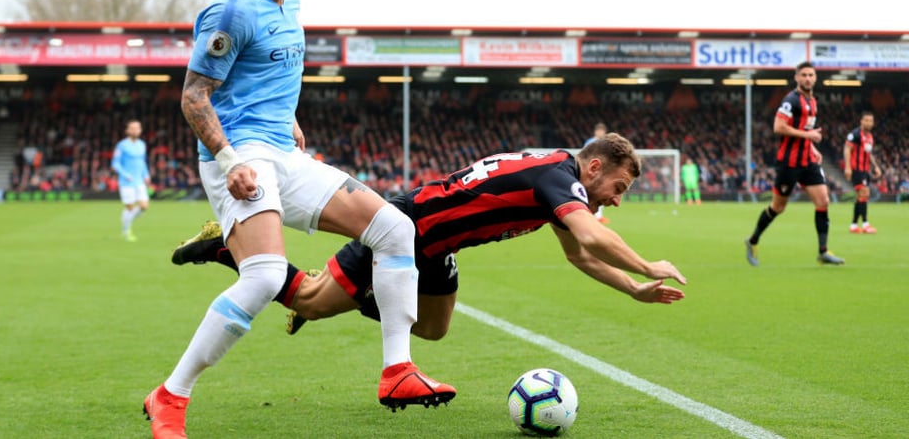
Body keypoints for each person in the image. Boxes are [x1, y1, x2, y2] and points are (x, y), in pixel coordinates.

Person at [143, 0, 454, 439]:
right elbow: (194, 98)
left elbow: (268, 79)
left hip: (281, 153)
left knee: (395, 227)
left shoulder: (290, 6)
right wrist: (230, 160)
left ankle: (397, 371)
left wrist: (287, 120)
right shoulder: (229, 13)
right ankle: (170, 395)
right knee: (264, 276)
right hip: (239, 157)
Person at [172, 134, 688, 343]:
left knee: (435, 329)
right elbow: (591, 238)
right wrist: (648, 265)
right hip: (407, 226)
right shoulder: (560, 178)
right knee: (310, 299)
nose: (616, 199)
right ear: (594, 167)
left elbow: (580, 255)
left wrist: (633, 290)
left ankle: (372, 293)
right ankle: (227, 247)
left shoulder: (558, 175)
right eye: (617, 188)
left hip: (440, 246)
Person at [744, 62, 844, 266]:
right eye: (804, 75)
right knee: (778, 207)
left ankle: (823, 252)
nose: (808, 78)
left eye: (811, 75)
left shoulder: (813, 101)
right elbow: (778, 127)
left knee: (823, 201)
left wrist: (812, 147)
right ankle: (752, 240)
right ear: (797, 78)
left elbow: (805, 129)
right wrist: (808, 135)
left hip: (807, 161)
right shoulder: (791, 100)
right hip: (788, 163)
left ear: (815, 78)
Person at [111, 119, 151, 241]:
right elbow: (115, 164)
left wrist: (146, 175)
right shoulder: (122, 145)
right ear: (127, 131)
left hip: (139, 181)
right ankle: (126, 231)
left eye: (138, 128)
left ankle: (126, 221)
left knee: (144, 206)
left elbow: (142, 162)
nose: (136, 130)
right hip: (126, 182)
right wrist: (125, 174)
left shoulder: (142, 145)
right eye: (133, 128)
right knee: (129, 207)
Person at [843, 110, 882, 234]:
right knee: (864, 193)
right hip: (857, 169)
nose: (869, 123)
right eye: (866, 120)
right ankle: (865, 224)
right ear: (861, 121)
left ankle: (854, 225)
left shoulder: (869, 137)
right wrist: (848, 167)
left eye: (871, 121)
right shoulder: (855, 134)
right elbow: (847, 149)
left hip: (865, 169)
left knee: (862, 196)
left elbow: (868, 153)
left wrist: (875, 166)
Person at [584, 122, 610, 223]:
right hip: (593, 171)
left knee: (602, 191)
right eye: (599, 131)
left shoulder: (605, 143)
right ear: (596, 131)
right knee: (592, 192)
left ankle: (599, 216)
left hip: (602, 171)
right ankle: (591, 214)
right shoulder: (591, 142)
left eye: (602, 131)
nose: (600, 133)